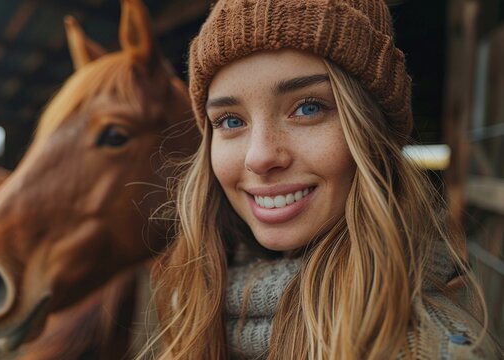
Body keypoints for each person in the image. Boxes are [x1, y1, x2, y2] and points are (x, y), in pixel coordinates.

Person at [146, 0, 502, 359]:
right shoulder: (193, 307)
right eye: (231, 121)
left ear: (373, 132)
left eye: (308, 108)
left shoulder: (435, 349)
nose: (259, 157)